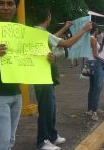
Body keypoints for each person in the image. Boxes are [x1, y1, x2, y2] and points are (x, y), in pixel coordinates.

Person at [0, 0, 53, 150]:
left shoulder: (21, 31)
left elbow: (33, 57)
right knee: (1, 144)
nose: (6, 7)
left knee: (8, 142)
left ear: (16, 7)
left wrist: (47, 59)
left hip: (16, 93)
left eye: (10, 4)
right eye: (1, 4)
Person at [32, 8, 92, 150]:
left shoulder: (36, 32)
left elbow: (52, 38)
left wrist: (65, 27)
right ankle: (42, 141)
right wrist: (83, 30)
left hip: (42, 75)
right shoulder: (41, 33)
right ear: (49, 17)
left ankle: (52, 136)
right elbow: (67, 43)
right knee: (46, 109)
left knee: (50, 108)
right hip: (43, 76)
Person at [85, 22, 99, 116]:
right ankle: (93, 109)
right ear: (96, 30)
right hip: (94, 63)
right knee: (95, 87)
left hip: (88, 63)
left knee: (92, 87)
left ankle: (91, 108)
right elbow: (95, 54)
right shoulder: (93, 39)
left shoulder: (87, 38)